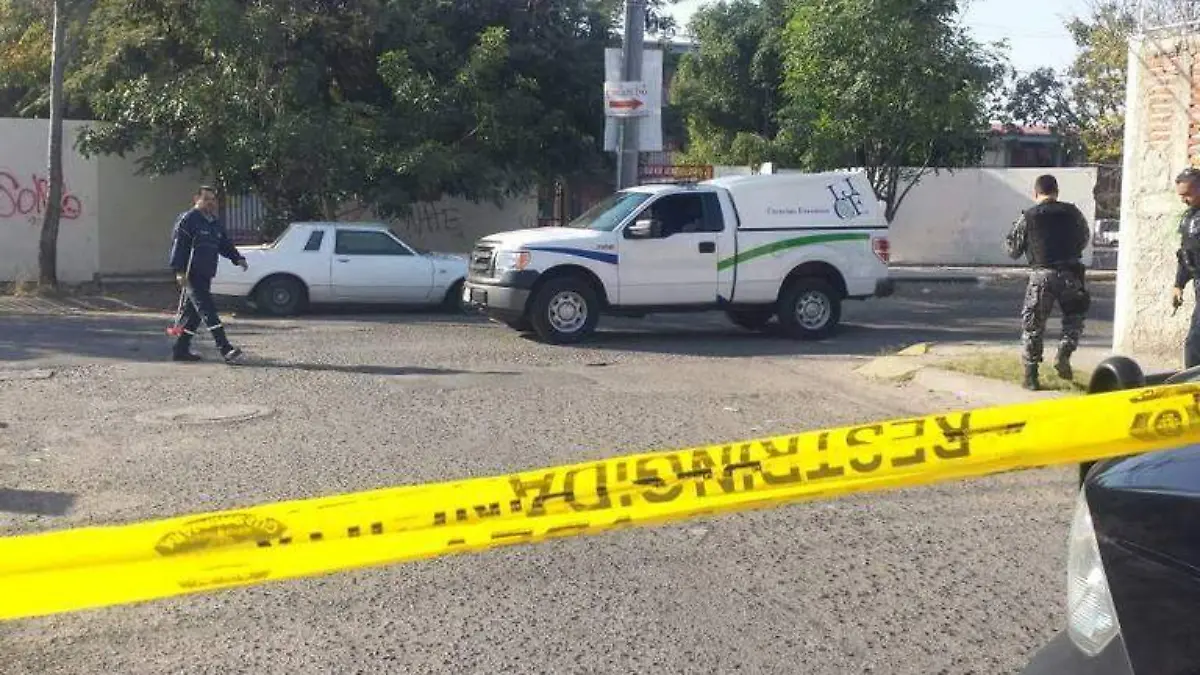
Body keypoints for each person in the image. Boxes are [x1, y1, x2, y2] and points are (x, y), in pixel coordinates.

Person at [1004, 173, 1092, 391]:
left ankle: (1031, 376)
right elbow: (1084, 238)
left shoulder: (1029, 216)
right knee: (1074, 319)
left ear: (1035, 193)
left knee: (1033, 326)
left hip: (1041, 276)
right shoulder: (1073, 213)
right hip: (1071, 274)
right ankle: (1064, 352)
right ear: (1057, 192)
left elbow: (1012, 250)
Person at [167, 185, 248, 363]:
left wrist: (237, 258)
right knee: (207, 309)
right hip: (191, 274)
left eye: (213, 200)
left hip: (207, 273)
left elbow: (224, 244)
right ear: (196, 199)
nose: (210, 203)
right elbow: (179, 246)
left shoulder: (214, 223)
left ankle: (180, 350)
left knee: (194, 315)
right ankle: (225, 348)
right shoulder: (188, 220)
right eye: (206, 199)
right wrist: (179, 271)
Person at [1169, 168, 1200, 368]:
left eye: (1187, 194)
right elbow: (1186, 254)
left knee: (1195, 342)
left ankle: (1192, 382)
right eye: (1181, 195)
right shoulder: (1189, 217)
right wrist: (1178, 284)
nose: (1184, 200)